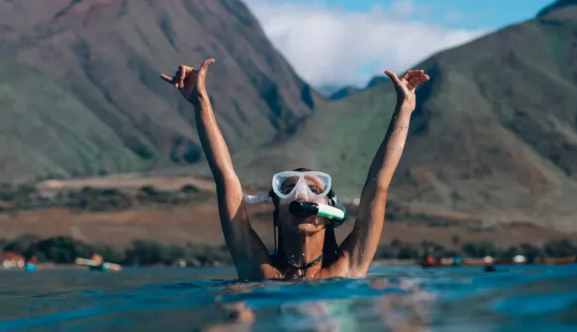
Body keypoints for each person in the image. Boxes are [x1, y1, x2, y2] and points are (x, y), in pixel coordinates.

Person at [160, 58, 429, 280]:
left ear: (331, 212)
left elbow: (378, 185)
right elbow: (225, 178)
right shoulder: (259, 271)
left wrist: (404, 109)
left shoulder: (348, 268)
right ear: (277, 213)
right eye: (287, 188)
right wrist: (200, 102)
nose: (302, 195)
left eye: (314, 189)